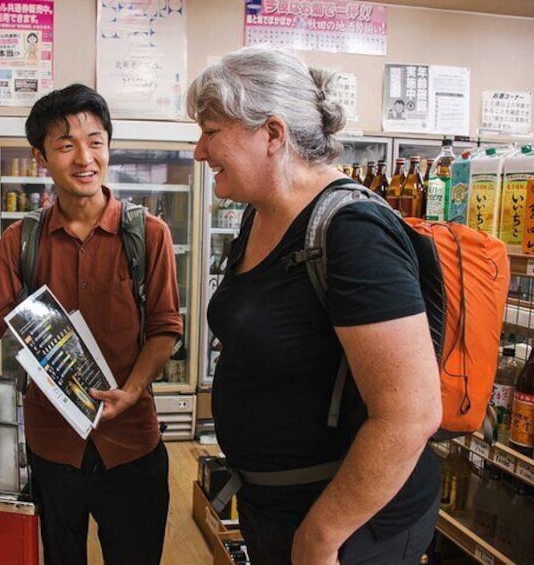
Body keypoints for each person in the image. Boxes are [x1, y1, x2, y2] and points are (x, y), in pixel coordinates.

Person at [0, 83, 182, 565]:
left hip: (131, 440)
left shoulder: (148, 234)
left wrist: (132, 389)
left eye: (96, 141)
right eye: (66, 145)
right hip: (52, 444)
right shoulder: (21, 240)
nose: (85, 157)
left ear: (109, 144)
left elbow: (165, 328)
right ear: (41, 156)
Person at [186, 47, 441, 565]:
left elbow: (410, 415)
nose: (198, 151)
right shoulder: (258, 218)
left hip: (349, 528)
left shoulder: (355, 234)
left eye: (211, 132)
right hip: (275, 509)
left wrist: (321, 536)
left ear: (273, 135)